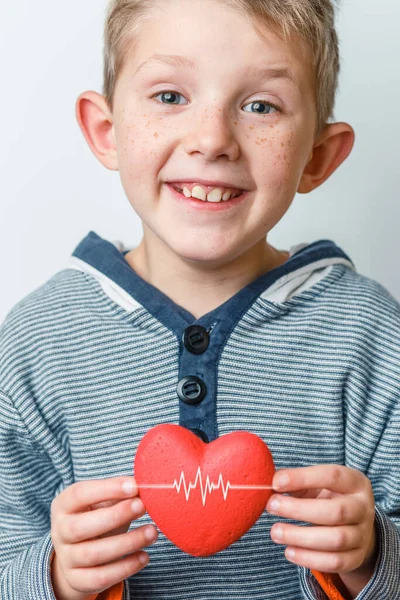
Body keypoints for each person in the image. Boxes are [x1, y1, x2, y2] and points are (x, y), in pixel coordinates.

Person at [0, 0, 399, 598]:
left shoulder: (371, 336)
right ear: (106, 132)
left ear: (316, 156)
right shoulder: (37, 341)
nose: (213, 140)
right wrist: (54, 577)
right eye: (169, 97)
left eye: (260, 105)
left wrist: (372, 554)